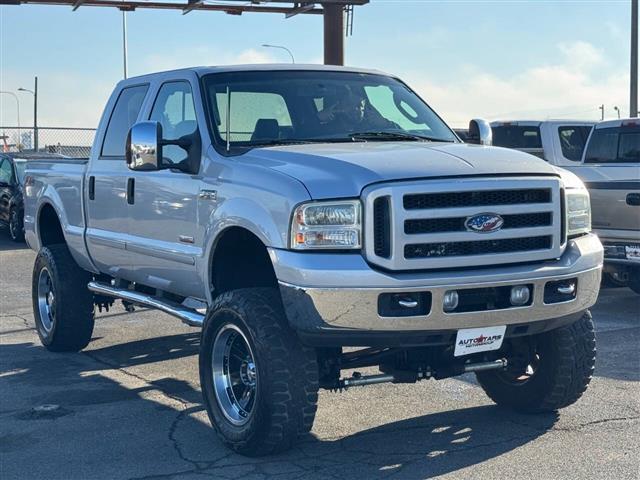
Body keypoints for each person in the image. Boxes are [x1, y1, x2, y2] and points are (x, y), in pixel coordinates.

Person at [317, 87, 398, 136]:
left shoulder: (373, 130)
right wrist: (317, 118)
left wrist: (385, 123)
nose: (356, 109)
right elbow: (305, 133)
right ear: (338, 106)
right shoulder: (325, 130)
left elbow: (403, 135)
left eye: (359, 105)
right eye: (349, 105)